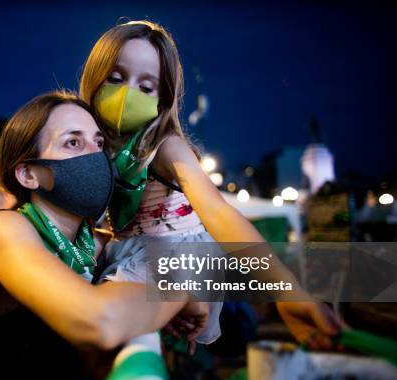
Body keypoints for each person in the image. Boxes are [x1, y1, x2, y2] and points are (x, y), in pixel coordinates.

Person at [80, 19, 341, 352]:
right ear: (94, 78)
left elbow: (217, 210)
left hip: (171, 257)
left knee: (106, 327)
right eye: (116, 78)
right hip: (136, 250)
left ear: (163, 99)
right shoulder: (96, 144)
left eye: (146, 87)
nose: (128, 93)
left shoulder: (164, 145)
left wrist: (286, 291)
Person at [0, 91, 209, 380]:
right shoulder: (6, 228)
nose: (96, 156)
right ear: (29, 174)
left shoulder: (97, 244)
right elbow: (100, 320)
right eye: (73, 142)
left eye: (99, 143)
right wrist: (180, 289)